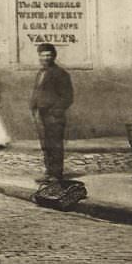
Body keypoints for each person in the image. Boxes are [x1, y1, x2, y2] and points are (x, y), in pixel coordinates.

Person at [30, 42, 75, 182]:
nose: (46, 58)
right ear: (39, 56)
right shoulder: (40, 73)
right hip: (42, 114)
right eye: (43, 55)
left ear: (54, 56)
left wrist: (56, 111)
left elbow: (68, 97)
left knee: (55, 144)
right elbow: (37, 91)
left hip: (54, 116)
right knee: (46, 145)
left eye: (49, 55)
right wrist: (33, 106)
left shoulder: (61, 74)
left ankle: (56, 174)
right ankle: (49, 172)